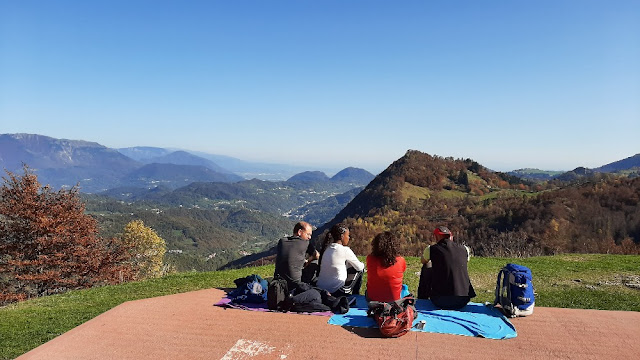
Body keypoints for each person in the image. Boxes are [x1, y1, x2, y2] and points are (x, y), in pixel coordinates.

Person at [418, 226, 476, 310]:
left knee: (427, 266)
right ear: (451, 236)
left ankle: (422, 298)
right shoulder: (464, 249)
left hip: (439, 301)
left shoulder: (431, 249)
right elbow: (465, 261)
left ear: (436, 237)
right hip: (463, 300)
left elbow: (423, 261)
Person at [273, 221, 322, 306]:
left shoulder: (282, 241)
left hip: (278, 286)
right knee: (315, 262)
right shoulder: (305, 243)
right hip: (295, 287)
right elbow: (317, 255)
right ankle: (312, 284)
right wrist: (309, 261)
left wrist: (303, 261)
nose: (309, 237)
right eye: (308, 234)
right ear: (299, 232)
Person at [316, 223, 365, 296]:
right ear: (342, 236)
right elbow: (359, 267)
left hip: (321, 289)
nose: (349, 238)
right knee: (361, 270)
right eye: (347, 235)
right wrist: (363, 265)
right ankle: (355, 295)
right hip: (336, 290)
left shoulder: (326, 248)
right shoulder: (345, 250)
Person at [365, 231, 409, 303]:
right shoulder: (401, 260)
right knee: (404, 288)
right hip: (395, 300)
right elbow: (403, 270)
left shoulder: (370, 259)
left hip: (372, 300)